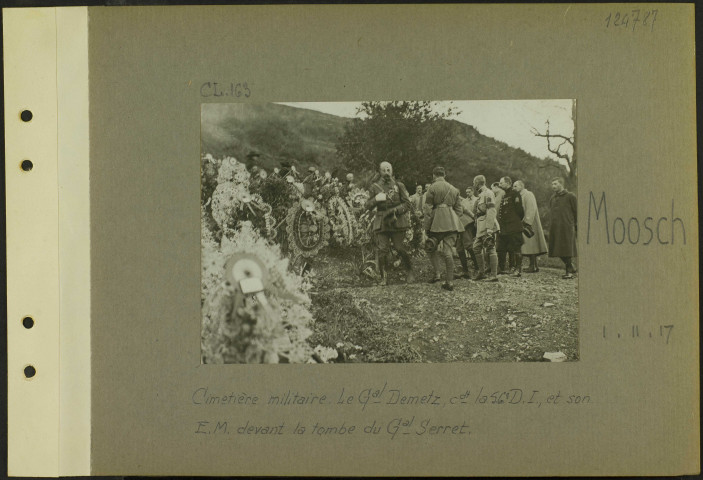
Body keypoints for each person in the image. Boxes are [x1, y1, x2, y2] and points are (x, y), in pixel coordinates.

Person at [365, 162, 415, 285]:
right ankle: (384, 277)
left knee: (400, 248)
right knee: (382, 250)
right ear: (380, 172)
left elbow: (407, 204)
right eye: (384, 170)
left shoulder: (399, 185)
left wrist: (395, 210)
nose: (386, 172)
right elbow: (366, 205)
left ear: (392, 171)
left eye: (388, 170)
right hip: (382, 222)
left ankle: (409, 271)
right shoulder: (374, 187)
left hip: (396, 221)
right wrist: (376, 199)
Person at [424, 166, 464, 291]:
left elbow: (428, 210)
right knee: (448, 252)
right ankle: (450, 282)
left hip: (436, 223)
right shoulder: (454, 189)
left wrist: (427, 227)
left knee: (430, 248)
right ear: (444, 175)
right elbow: (460, 210)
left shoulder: (432, 187)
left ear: (434, 175)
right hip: (452, 223)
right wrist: (451, 217)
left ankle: (437, 274)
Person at [513, 180, 548, 272]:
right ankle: (533, 265)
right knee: (528, 245)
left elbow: (531, 208)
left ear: (521, 186)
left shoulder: (528, 194)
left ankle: (533, 266)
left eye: (515, 186)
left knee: (532, 244)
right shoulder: (519, 196)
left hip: (530, 223)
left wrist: (527, 222)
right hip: (523, 222)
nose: (514, 188)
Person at [548, 177, 577, 279]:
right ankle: (571, 266)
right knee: (556, 249)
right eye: (552, 184)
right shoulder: (552, 198)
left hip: (566, 227)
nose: (553, 186)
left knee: (566, 249)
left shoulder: (570, 196)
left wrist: (575, 226)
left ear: (561, 184)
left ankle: (569, 272)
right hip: (555, 227)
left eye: (555, 184)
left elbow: (577, 212)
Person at [496, 176, 525, 276]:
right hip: (505, 227)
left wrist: (515, 221)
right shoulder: (505, 195)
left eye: (501, 183)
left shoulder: (515, 194)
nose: (499, 185)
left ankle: (518, 269)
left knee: (516, 247)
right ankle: (502, 268)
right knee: (502, 247)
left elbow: (520, 212)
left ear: (508, 183)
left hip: (513, 226)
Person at [472, 175, 499, 282]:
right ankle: (482, 272)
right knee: (476, 248)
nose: (473, 185)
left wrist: (489, 228)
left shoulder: (488, 193)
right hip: (480, 227)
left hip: (487, 226)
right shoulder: (481, 194)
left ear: (478, 183)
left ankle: (494, 275)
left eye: (474, 183)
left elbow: (491, 211)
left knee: (490, 248)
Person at [456, 187, 478, 279]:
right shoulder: (454, 200)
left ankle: (478, 267)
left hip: (465, 225)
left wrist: (474, 218)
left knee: (468, 246)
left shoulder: (457, 201)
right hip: (457, 227)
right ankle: (465, 271)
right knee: (459, 248)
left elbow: (465, 210)